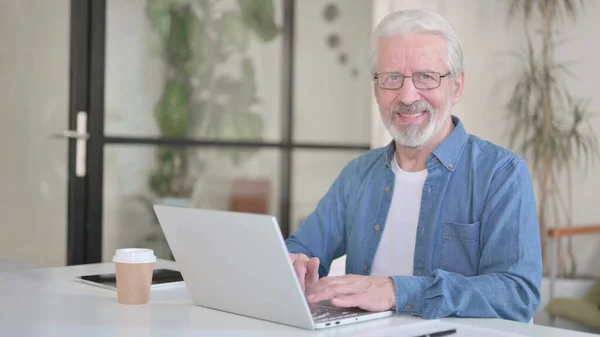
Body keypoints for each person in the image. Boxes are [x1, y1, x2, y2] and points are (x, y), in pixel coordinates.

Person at [285, 8, 542, 322]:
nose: (407, 96)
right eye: (392, 78)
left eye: (426, 77)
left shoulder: (501, 174)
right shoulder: (358, 174)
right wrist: (295, 263)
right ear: (376, 88)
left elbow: (517, 294)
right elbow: (304, 248)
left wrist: (395, 291)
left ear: (456, 86)